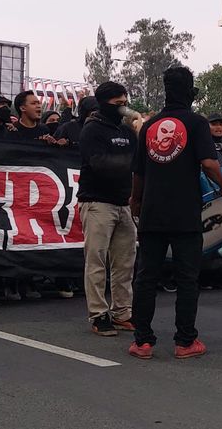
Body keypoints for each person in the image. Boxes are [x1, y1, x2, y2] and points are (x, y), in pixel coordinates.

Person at [129, 66, 222, 360]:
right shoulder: (196, 123)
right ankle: (185, 342)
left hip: (152, 211)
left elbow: (138, 172)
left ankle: (143, 341)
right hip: (186, 213)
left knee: (146, 277)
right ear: (190, 93)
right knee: (187, 278)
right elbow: (210, 164)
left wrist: (136, 201)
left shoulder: (150, 126)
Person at [77, 81, 137, 336]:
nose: (122, 108)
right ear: (104, 103)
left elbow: (139, 162)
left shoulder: (126, 131)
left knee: (124, 262)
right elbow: (100, 163)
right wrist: (128, 162)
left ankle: (122, 311)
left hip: (122, 203)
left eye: (125, 103)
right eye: (117, 104)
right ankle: (98, 314)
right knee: (97, 260)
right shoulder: (92, 130)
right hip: (97, 202)